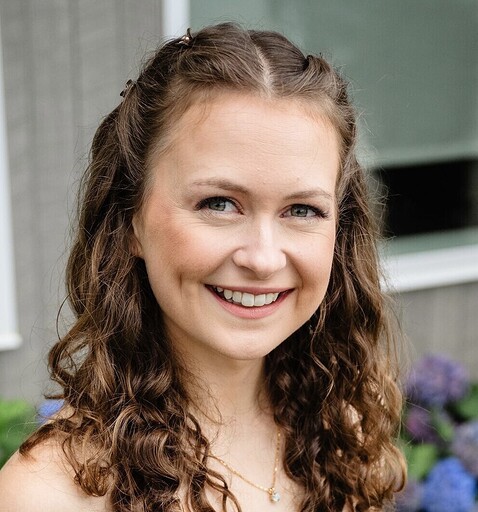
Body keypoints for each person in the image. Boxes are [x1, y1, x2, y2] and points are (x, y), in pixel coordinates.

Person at [0, 23, 405, 512]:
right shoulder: (52, 494)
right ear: (129, 220)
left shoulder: (339, 430)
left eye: (302, 210)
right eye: (219, 203)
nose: (263, 258)